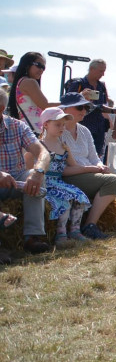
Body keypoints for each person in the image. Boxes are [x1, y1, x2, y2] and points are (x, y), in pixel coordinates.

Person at [59, 93, 116, 233]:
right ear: (65, 109)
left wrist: (100, 166)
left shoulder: (84, 130)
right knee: (112, 181)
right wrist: (91, 168)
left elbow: (94, 157)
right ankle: (90, 225)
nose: (84, 111)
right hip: (71, 175)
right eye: (80, 107)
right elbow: (62, 166)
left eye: (86, 107)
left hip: (88, 172)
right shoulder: (57, 131)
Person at [0, 87, 51, 260]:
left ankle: (32, 237)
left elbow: (43, 153)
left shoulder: (17, 126)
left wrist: (37, 172)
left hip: (16, 179)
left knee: (36, 179)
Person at [38, 107, 93, 248]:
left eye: (63, 125)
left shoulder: (62, 145)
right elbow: (30, 165)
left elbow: (73, 166)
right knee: (65, 200)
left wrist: (68, 152)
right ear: (45, 125)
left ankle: (75, 230)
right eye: (57, 124)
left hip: (58, 181)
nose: (61, 128)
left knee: (79, 195)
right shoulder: (39, 145)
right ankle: (60, 234)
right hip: (46, 183)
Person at [64, 59, 113, 159]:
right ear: (91, 69)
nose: (103, 74)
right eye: (100, 71)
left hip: (99, 126)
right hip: (83, 123)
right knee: (81, 154)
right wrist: (82, 97)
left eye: (104, 71)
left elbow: (102, 105)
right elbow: (68, 102)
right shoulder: (78, 84)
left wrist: (114, 110)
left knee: (98, 155)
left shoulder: (101, 86)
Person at [7, 52, 60, 135]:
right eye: (39, 65)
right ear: (27, 64)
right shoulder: (29, 82)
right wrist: (68, 102)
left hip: (25, 130)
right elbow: (45, 105)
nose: (41, 70)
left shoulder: (21, 81)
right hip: (32, 131)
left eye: (43, 67)